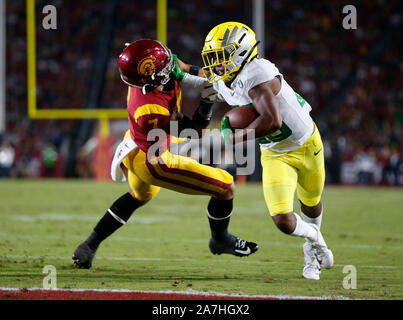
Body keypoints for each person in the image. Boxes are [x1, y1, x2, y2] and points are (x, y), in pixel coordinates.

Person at [72, 39, 258, 269]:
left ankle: (89, 245)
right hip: (153, 158)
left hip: (134, 144)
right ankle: (220, 239)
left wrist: (201, 78)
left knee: (140, 195)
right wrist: (208, 101)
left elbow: (187, 69)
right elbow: (196, 132)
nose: (172, 66)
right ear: (152, 79)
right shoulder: (151, 110)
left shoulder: (150, 73)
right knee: (226, 186)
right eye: (166, 68)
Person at [201, 22, 333, 280]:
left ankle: (311, 255)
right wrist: (174, 68)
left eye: (221, 57)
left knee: (311, 203)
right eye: (213, 59)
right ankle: (314, 237)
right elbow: (196, 74)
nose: (216, 65)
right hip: (274, 153)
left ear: (240, 53)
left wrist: (236, 137)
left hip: (305, 144)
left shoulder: (258, 75)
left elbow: (272, 121)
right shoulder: (223, 79)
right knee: (283, 221)